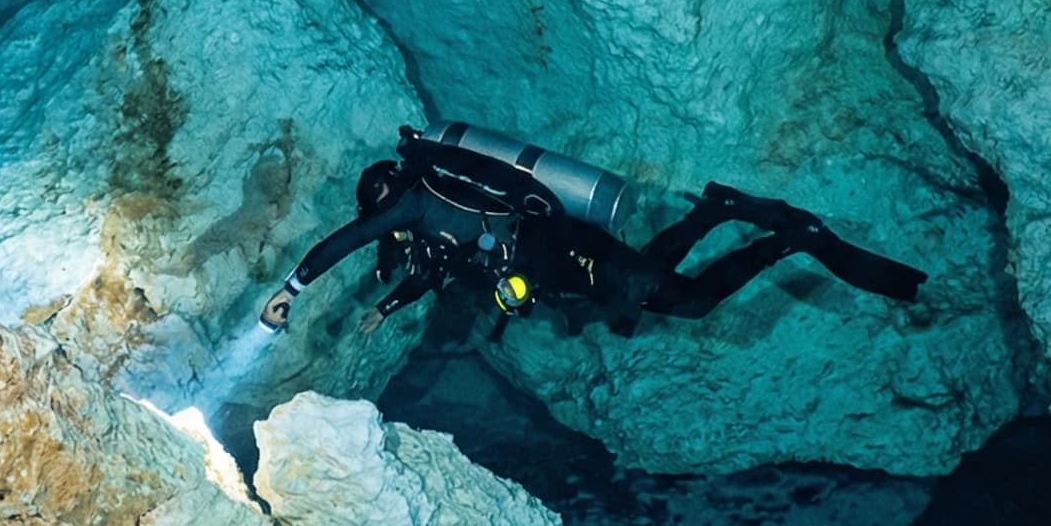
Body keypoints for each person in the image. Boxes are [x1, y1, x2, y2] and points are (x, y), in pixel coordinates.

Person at [258, 123, 926, 337]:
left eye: (382, 217)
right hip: (563, 263)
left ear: (387, 200)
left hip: (565, 252)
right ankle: (714, 209)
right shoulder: (429, 219)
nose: (389, 232)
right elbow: (430, 271)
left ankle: (787, 241)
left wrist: (291, 288)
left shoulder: (418, 203)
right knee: (646, 275)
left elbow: (343, 242)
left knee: (688, 301)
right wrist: (385, 307)